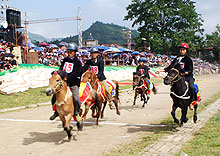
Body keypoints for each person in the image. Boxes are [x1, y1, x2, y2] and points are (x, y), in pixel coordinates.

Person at [50, 43, 82, 125]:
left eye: (71, 52)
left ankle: (76, 113)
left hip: (73, 82)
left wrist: (67, 78)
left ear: (75, 52)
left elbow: (76, 73)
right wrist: (57, 73)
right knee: (54, 96)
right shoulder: (65, 60)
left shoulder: (78, 62)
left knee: (76, 98)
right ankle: (56, 112)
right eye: (68, 52)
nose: (69, 54)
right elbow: (61, 69)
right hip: (64, 82)